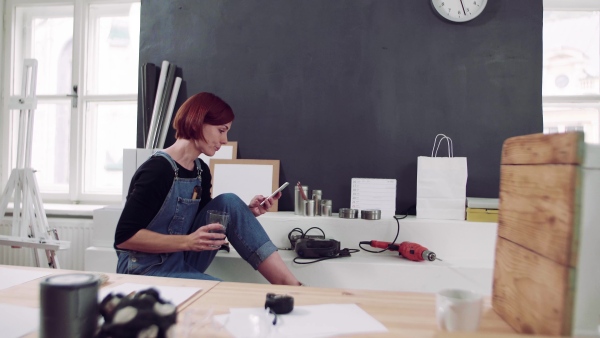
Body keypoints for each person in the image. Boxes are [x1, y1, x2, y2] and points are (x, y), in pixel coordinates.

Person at [114, 92, 301, 285]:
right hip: (144, 269)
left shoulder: (201, 170)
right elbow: (124, 238)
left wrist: (245, 213)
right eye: (221, 130)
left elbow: (201, 219)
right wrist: (187, 242)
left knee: (229, 201)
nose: (225, 140)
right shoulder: (158, 170)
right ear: (198, 121)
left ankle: (290, 285)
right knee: (226, 294)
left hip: (180, 259)